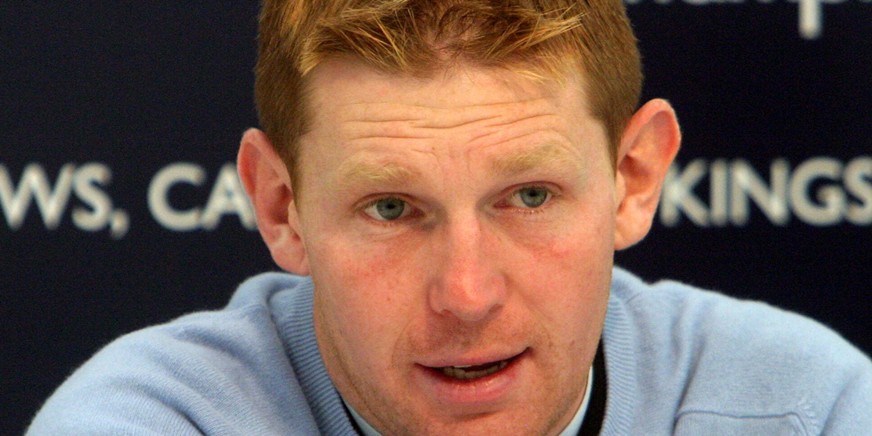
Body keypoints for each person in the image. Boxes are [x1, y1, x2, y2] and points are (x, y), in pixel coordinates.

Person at [28, 0, 871, 434]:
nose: (466, 296)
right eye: (391, 208)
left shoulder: (810, 407)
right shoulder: (157, 419)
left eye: (530, 198)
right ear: (282, 208)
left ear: (632, 178)